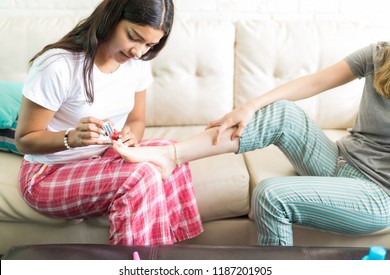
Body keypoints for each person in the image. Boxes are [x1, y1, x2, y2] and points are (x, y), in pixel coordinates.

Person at [112, 41, 390, 246]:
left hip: (376, 193)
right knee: (283, 112)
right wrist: (249, 106)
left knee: (271, 195)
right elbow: (315, 82)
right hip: (338, 158)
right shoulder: (381, 54)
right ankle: (171, 155)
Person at [15, 0, 203, 246]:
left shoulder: (136, 64)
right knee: (141, 174)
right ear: (112, 17)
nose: (138, 51)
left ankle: (170, 255)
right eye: (133, 37)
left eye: (149, 44)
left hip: (101, 158)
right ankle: (136, 266)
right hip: (46, 174)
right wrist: (71, 137)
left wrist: (131, 138)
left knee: (170, 154)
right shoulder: (58, 65)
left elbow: (136, 120)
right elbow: (25, 140)